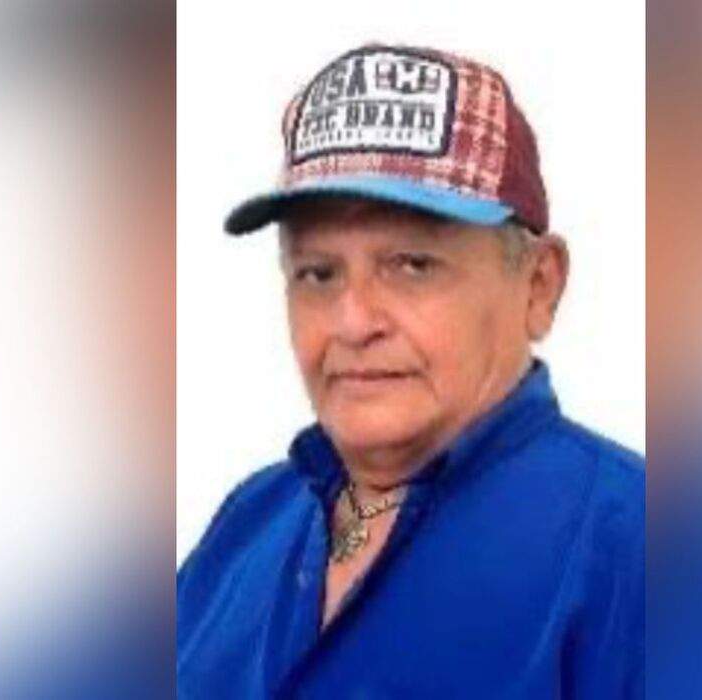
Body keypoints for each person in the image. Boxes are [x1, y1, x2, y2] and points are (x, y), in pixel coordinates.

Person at [177, 43, 644, 698]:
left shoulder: (645, 552)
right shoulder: (249, 521)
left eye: (412, 265)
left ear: (539, 286)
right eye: (317, 273)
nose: (353, 322)